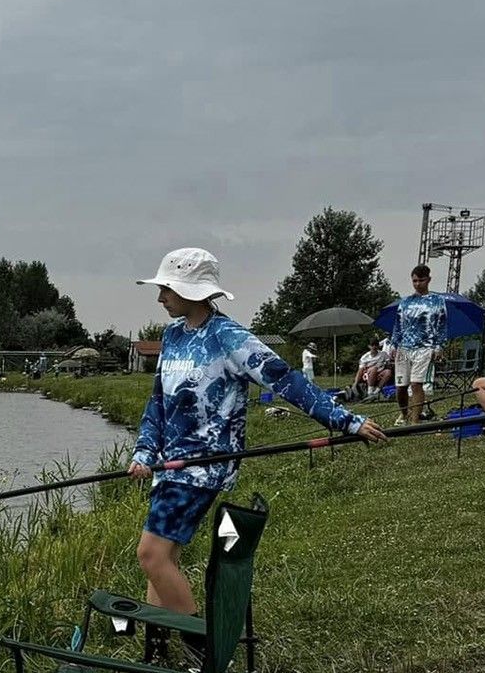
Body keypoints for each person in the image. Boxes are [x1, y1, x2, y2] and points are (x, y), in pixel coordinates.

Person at [130, 248, 387, 615]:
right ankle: (156, 648)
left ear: (193, 291)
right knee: (163, 557)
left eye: (167, 289)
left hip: (207, 464)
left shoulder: (229, 337)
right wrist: (143, 452)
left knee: (150, 555)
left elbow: (286, 381)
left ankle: (203, 651)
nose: (160, 297)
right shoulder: (172, 335)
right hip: (168, 465)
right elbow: (158, 401)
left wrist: (345, 420)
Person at [391, 264, 450, 425]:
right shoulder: (405, 302)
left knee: (416, 384)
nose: (418, 284)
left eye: (421, 280)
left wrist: (439, 346)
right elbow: (398, 324)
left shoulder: (437, 301)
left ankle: (415, 421)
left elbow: (442, 325)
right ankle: (404, 414)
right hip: (404, 347)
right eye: (415, 281)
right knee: (401, 386)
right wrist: (393, 344)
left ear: (428, 280)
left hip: (425, 346)